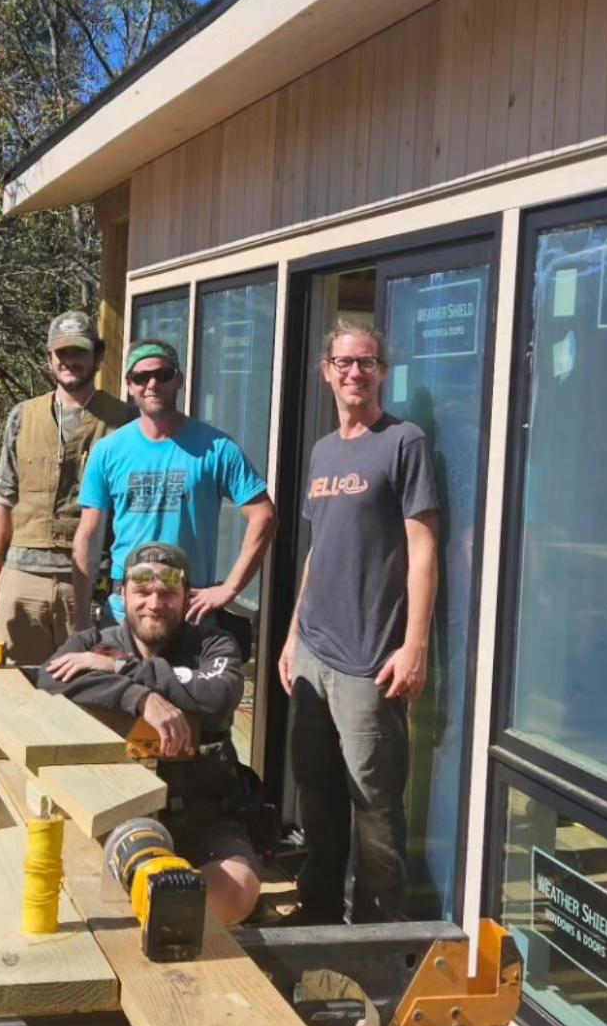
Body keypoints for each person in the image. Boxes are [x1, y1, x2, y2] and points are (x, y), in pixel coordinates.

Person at [277, 319, 439, 925]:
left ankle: (377, 933)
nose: (354, 372)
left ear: (382, 372)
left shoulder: (404, 442)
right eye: (344, 362)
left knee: (374, 804)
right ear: (326, 371)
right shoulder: (323, 450)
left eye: (366, 362)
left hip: (370, 659)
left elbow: (423, 548)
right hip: (315, 653)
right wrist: (293, 634)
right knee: (316, 792)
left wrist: (413, 644)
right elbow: (319, 549)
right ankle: (318, 913)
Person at [38, 541, 261, 925]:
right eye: (142, 591)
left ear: (186, 597)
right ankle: (151, 915)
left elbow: (219, 695)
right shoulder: (92, 642)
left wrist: (119, 670)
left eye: (167, 593)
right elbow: (47, 680)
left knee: (238, 888)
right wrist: (137, 697)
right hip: (109, 812)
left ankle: (165, 922)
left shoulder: (213, 643)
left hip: (201, 813)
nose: (154, 604)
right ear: (122, 593)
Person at [71, 339, 276, 652]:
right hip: (124, 613)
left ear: (178, 380)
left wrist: (229, 590)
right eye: (141, 377)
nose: (152, 384)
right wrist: (83, 617)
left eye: (162, 375)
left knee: (187, 700)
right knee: (117, 698)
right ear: (129, 385)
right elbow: (89, 533)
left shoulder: (216, 447)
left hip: (189, 612)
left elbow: (264, 515)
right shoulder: (108, 451)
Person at [0, 311, 132, 664]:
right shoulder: (22, 416)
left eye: (79, 352)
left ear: (98, 356)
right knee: (19, 685)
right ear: (48, 360)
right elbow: (3, 498)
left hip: (92, 584)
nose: (70, 361)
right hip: (22, 577)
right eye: (61, 353)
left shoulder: (124, 421)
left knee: (92, 688)